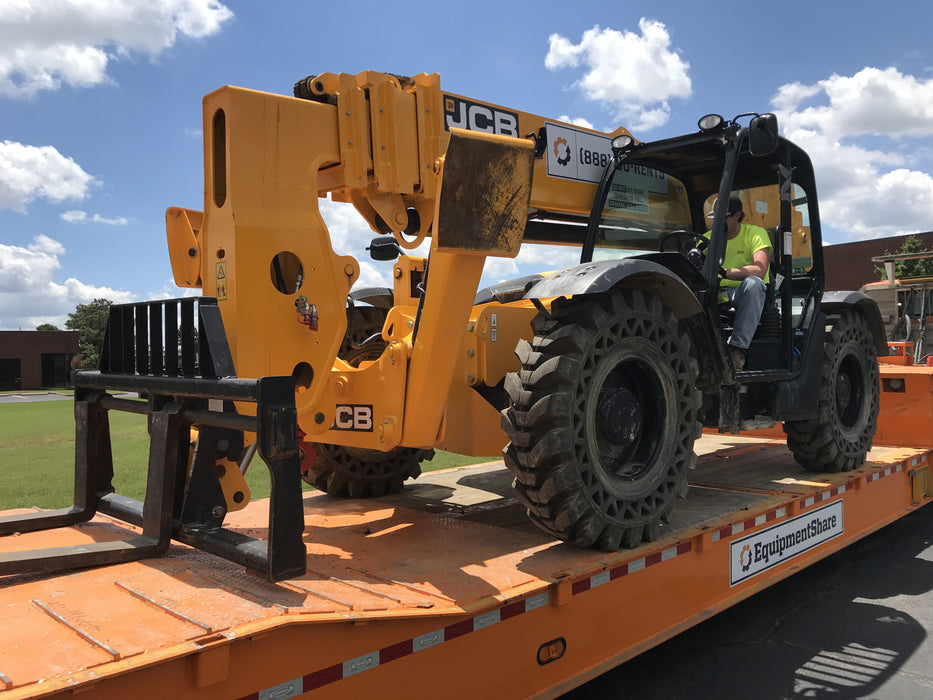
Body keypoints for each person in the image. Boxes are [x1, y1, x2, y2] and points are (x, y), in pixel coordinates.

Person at [707, 195, 772, 371]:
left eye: (723, 217)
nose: (718, 223)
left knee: (754, 284)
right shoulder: (707, 239)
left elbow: (760, 270)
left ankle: (737, 351)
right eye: (715, 218)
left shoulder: (755, 234)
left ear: (737, 215)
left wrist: (729, 273)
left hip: (741, 293)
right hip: (713, 292)